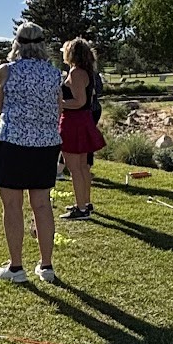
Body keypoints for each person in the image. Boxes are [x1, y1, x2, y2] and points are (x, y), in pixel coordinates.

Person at [0, 22, 62, 284]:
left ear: (17, 43)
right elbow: (58, 109)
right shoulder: (54, 74)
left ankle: (16, 266)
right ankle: (46, 265)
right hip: (45, 145)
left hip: (13, 143)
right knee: (42, 205)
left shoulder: (6, 71)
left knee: (12, 205)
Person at [58, 38, 107, 221]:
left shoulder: (76, 72)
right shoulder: (87, 71)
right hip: (82, 120)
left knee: (75, 168)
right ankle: (85, 203)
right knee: (83, 166)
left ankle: (81, 208)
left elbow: (79, 101)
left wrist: (59, 103)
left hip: (74, 122)